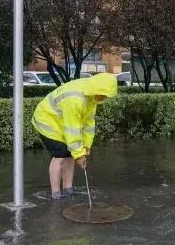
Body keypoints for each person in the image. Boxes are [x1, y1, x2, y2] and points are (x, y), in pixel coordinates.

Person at [31, 72, 118, 200]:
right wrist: (79, 154)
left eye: (106, 96)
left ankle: (68, 189)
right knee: (60, 154)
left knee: (70, 155)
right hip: (48, 121)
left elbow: (88, 123)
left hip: (62, 122)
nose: (103, 98)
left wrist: (86, 146)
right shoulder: (75, 97)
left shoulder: (91, 97)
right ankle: (55, 193)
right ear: (96, 89)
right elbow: (73, 128)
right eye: (102, 95)